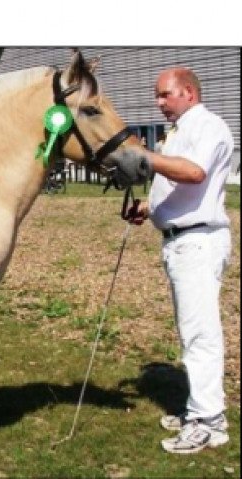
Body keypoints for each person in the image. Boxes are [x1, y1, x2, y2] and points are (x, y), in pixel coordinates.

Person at [124, 68, 234, 454]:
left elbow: (193, 172)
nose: (158, 102)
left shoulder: (207, 125)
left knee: (201, 335)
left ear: (188, 92)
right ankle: (197, 412)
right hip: (182, 240)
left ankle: (209, 422)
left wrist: (145, 157)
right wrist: (148, 207)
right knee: (193, 331)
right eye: (157, 96)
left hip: (198, 241)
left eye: (164, 95)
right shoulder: (184, 128)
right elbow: (179, 188)